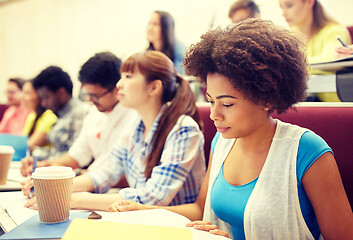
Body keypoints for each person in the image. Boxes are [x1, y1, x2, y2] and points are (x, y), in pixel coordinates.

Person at [108, 19, 353, 240]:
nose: (214, 114)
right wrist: (146, 210)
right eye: (211, 101)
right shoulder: (223, 141)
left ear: (266, 98)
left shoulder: (308, 152)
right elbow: (199, 208)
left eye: (226, 104)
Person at [23, 51, 206, 211]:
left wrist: (73, 199)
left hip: (174, 226)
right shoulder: (135, 125)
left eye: (128, 77)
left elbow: (154, 197)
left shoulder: (183, 129)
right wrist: (56, 186)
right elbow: (106, 171)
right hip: (141, 220)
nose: (119, 84)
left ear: (154, 87)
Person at [20, 52, 139, 176]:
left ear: (117, 88)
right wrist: (47, 166)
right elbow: (77, 154)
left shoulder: (133, 115)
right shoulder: (95, 113)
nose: (90, 101)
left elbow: (128, 174)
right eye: (88, 95)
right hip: (95, 181)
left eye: (95, 96)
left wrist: (82, 175)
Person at [279, 0, 351, 102]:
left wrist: (290, 64)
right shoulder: (290, 37)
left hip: (333, 103)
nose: (283, 13)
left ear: (309, 2)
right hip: (303, 102)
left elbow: (329, 60)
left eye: (289, 6)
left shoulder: (334, 31)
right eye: (281, 7)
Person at [29, 66, 88, 159]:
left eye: (46, 97)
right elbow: (57, 151)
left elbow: (75, 156)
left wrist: (42, 162)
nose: (43, 103)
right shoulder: (61, 114)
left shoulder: (80, 113)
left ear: (61, 93)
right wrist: (34, 156)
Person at [21, 80, 57, 155]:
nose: (22, 97)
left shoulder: (49, 116)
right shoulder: (32, 116)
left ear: (39, 96)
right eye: (22, 92)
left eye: (27, 93)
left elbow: (28, 146)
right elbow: (22, 142)